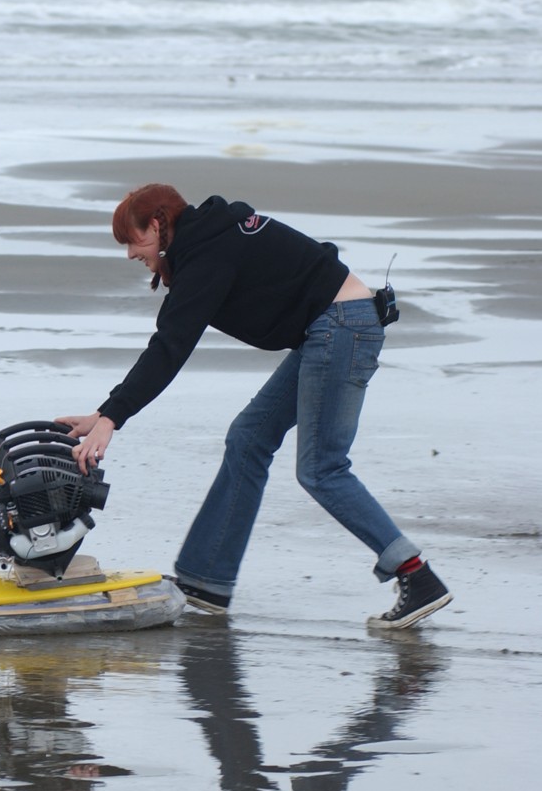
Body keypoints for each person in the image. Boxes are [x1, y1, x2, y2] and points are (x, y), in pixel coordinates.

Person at [57, 184, 451, 629]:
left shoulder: (207, 253)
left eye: (133, 240)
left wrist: (112, 418)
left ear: (157, 224)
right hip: (330, 327)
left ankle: (416, 576)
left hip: (342, 328)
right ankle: (206, 581)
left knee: (322, 469)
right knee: (249, 438)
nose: (130, 253)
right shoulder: (206, 241)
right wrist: (107, 411)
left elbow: (170, 346)